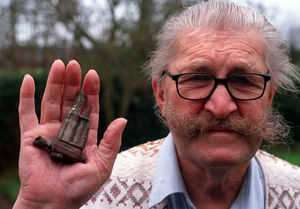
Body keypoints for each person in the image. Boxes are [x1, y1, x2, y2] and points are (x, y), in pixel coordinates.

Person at [13, 1, 300, 209]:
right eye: (197, 78)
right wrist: (41, 206)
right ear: (160, 95)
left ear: (270, 96)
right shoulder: (94, 197)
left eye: (244, 80)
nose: (221, 106)